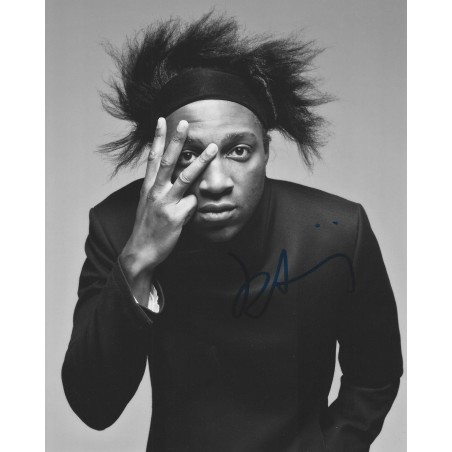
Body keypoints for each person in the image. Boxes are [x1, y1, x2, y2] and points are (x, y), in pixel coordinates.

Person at [62, 12, 403, 452]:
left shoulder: (337, 231)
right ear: (159, 155)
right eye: (189, 155)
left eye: (239, 151)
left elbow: (375, 376)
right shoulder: (117, 227)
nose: (216, 182)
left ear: (266, 150)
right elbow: (93, 406)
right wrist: (137, 261)